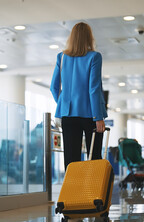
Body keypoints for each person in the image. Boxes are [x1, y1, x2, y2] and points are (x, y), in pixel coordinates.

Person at [50, 22, 108, 170]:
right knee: (94, 158)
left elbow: (54, 87)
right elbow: (93, 88)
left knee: (71, 160)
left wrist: (63, 103)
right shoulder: (94, 57)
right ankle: (93, 191)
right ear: (89, 37)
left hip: (68, 115)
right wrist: (98, 117)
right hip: (91, 115)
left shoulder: (61, 57)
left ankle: (72, 192)